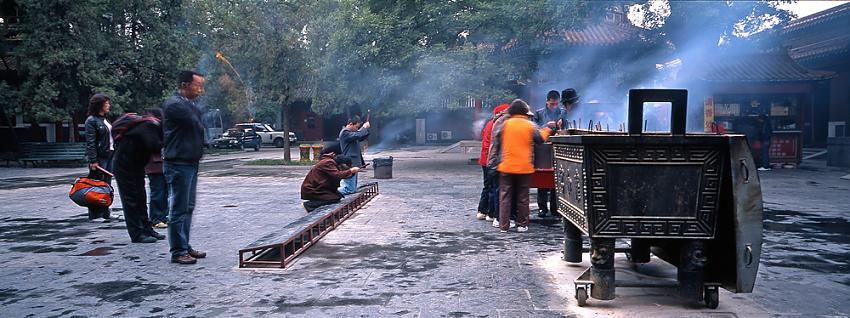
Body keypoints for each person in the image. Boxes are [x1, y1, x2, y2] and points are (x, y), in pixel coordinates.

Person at [162, 70, 207, 265]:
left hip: (190, 162)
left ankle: (184, 244)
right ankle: (178, 250)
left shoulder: (187, 104)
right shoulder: (175, 105)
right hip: (178, 163)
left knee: (188, 207)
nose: (201, 90)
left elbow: (197, 117)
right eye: (197, 85)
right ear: (184, 85)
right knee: (179, 209)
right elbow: (195, 119)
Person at [492, 99, 552, 233]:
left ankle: (504, 226)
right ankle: (522, 224)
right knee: (523, 197)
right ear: (525, 112)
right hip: (524, 167)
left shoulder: (504, 125)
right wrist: (548, 129)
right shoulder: (530, 125)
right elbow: (540, 139)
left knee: (505, 197)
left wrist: (494, 162)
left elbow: (496, 143)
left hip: (506, 166)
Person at [112, 113, 165, 243]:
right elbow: (155, 145)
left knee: (141, 198)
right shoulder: (149, 125)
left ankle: (147, 229)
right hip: (124, 165)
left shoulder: (151, 125)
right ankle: (136, 234)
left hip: (136, 164)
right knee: (130, 200)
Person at [301, 144, 362, 212]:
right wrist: (351, 171)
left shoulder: (331, 163)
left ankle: (316, 206)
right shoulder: (328, 162)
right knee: (332, 198)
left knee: (338, 196)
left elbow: (340, 175)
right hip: (312, 189)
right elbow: (337, 175)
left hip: (321, 187)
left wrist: (352, 173)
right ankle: (309, 205)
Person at [84, 93, 116, 222]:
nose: (108, 105)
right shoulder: (91, 121)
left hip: (109, 155)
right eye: (106, 103)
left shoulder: (105, 120)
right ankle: (95, 214)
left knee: (106, 185)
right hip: (100, 157)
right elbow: (90, 142)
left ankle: (106, 212)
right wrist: (93, 160)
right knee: (96, 185)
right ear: (99, 105)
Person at [532, 90, 562, 218]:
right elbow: (534, 130)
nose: (554, 106)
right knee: (542, 179)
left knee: (556, 180)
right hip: (543, 148)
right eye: (552, 104)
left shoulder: (562, 112)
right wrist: (546, 125)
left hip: (558, 147)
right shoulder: (539, 113)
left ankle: (556, 208)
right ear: (547, 102)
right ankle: (542, 208)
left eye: (556, 104)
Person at [476, 103, 509, 221]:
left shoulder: (489, 123)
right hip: (491, 160)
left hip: (485, 159)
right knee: (493, 187)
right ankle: (490, 213)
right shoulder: (498, 125)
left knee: (487, 186)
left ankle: (482, 210)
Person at [145, 108, 168, 229]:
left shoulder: (156, 127)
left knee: (164, 192)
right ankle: (156, 218)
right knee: (158, 192)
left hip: (161, 164)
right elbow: (154, 145)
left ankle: (163, 216)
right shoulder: (151, 127)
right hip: (155, 165)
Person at [338, 115, 370, 195]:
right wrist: (364, 128)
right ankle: (329, 192)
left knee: (351, 189)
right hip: (349, 164)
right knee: (349, 189)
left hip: (353, 163)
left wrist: (366, 129)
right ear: (351, 124)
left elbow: (360, 136)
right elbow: (358, 135)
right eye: (356, 127)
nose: (357, 129)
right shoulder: (345, 132)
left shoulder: (351, 134)